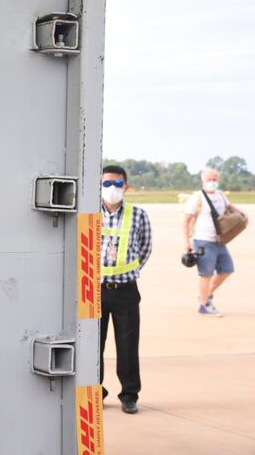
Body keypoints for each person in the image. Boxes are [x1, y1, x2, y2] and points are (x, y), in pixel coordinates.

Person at [99, 165, 152, 415]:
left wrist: (125, 271)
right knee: (92, 344)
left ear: (126, 187)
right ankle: (93, 389)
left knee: (128, 344)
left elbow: (145, 249)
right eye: (107, 183)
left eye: (117, 184)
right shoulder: (88, 214)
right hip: (93, 290)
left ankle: (129, 394)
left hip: (126, 290)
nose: (112, 189)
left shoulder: (138, 215)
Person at [182, 167, 245, 316]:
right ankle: (203, 306)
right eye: (209, 179)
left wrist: (241, 213)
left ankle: (206, 294)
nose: (212, 182)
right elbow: (186, 220)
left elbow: (229, 207)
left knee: (227, 269)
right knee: (206, 274)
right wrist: (187, 243)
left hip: (219, 240)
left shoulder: (221, 195)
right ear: (203, 180)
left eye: (214, 179)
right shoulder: (197, 198)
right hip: (203, 241)